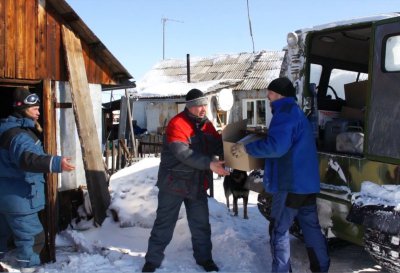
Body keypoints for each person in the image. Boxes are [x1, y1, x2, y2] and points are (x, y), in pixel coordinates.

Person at [231, 77, 330, 273]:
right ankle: (322, 268)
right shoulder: (296, 112)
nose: (268, 97)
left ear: (281, 95)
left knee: (279, 230)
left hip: (289, 184)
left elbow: (277, 147)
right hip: (306, 185)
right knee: (311, 228)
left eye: (271, 93)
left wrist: (247, 149)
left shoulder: (284, 113)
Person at [142, 88, 229, 272]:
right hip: (174, 182)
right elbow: (183, 153)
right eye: (198, 105)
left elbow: (217, 145)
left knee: (201, 225)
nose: (203, 108)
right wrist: (210, 164)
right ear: (189, 107)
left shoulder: (207, 125)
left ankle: (205, 260)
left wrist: (232, 150)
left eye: (204, 104)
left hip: (196, 184)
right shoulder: (177, 124)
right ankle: (152, 262)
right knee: (164, 225)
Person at [0, 87, 75, 269]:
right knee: (32, 238)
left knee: (3, 233)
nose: (38, 110)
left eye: (38, 107)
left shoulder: (6, 129)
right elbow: (27, 159)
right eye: (33, 107)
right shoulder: (19, 135)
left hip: (5, 195)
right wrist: (55, 163)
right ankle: (28, 268)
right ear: (21, 109)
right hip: (21, 197)